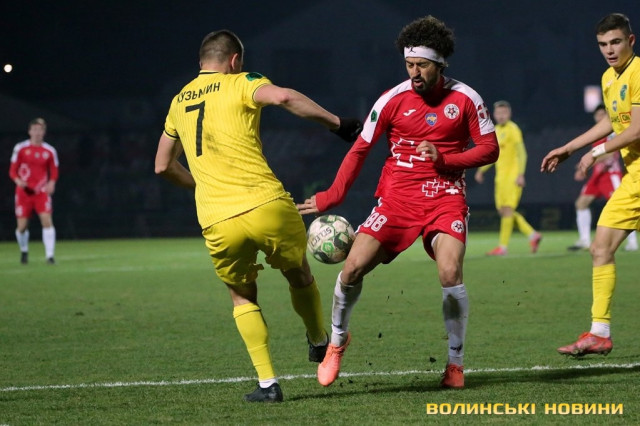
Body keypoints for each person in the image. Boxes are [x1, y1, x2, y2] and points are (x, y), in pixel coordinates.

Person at [154, 30, 362, 403]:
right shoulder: (241, 82)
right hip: (267, 205)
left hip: (218, 218)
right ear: (235, 60)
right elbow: (283, 97)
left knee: (242, 296)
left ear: (202, 62)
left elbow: (162, 165)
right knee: (298, 272)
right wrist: (337, 123)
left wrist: (202, 185)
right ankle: (319, 340)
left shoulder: (177, 101)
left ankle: (268, 384)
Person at [297, 16, 499, 389]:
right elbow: (360, 149)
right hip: (397, 201)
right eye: (409, 64)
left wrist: (445, 159)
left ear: (440, 63)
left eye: (422, 65)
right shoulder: (392, 99)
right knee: (352, 269)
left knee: (449, 272)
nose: (414, 73)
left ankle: (455, 364)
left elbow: (490, 149)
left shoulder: (466, 99)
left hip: (445, 198)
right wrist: (333, 195)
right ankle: (337, 341)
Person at [541, 13, 640, 357]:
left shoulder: (639, 72)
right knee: (600, 248)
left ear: (631, 41)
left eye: (616, 42)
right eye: (603, 44)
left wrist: (596, 153)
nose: (609, 50)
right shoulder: (609, 78)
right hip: (635, 178)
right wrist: (569, 148)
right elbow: (613, 122)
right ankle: (600, 332)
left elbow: (636, 129)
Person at [474, 101, 542, 256]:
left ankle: (503, 247)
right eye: (499, 113)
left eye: (504, 113)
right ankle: (532, 235)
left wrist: (520, 174)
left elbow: (522, 153)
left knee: (508, 210)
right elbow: (493, 156)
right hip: (500, 179)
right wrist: (481, 170)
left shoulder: (513, 129)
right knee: (503, 212)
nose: (501, 116)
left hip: (512, 177)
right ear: (494, 114)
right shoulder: (496, 131)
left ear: (509, 114)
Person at [568, 104, 638, 251]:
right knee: (581, 203)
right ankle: (584, 240)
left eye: (602, 115)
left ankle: (633, 242)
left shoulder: (612, 131)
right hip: (598, 175)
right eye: (597, 115)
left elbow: (611, 153)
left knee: (624, 209)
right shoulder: (597, 133)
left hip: (611, 175)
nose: (599, 117)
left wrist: (592, 158)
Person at [9, 117, 58, 265]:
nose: (37, 132)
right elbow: (12, 170)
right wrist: (18, 181)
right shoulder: (20, 148)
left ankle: (50, 256)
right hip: (23, 192)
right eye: (35, 129)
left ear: (44, 132)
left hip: (41, 192)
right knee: (22, 227)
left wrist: (52, 183)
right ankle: (24, 250)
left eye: (40, 130)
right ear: (29, 131)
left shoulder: (49, 150)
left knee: (47, 221)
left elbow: (54, 170)